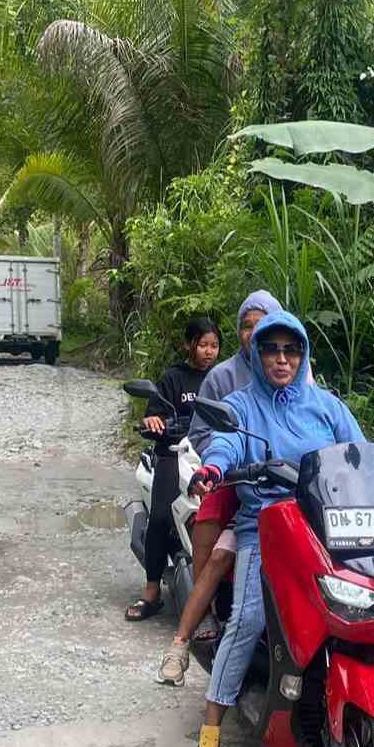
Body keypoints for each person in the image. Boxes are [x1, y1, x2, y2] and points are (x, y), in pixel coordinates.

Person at [184, 311, 374, 747]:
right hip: (269, 523)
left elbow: (361, 453)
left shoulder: (326, 405)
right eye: (271, 350)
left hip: (332, 523)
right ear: (257, 354)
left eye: (291, 350)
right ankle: (211, 731)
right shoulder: (241, 406)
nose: (281, 359)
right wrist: (214, 469)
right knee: (249, 620)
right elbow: (224, 445)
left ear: (302, 355)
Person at [153, 291, 279, 683]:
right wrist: (223, 466)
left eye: (287, 349)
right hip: (238, 479)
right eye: (247, 325)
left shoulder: (304, 383)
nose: (281, 358)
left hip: (291, 487)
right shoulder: (226, 379)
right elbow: (210, 433)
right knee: (214, 538)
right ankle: (186, 634)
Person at [127, 316, 222, 621]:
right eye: (203, 345)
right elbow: (153, 415)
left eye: (214, 345)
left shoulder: (223, 378)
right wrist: (153, 421)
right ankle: (152, 592)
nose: (209, 351)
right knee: (160, 516)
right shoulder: (173, 378)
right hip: (173, 452)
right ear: (189, 345)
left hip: (214, 456)